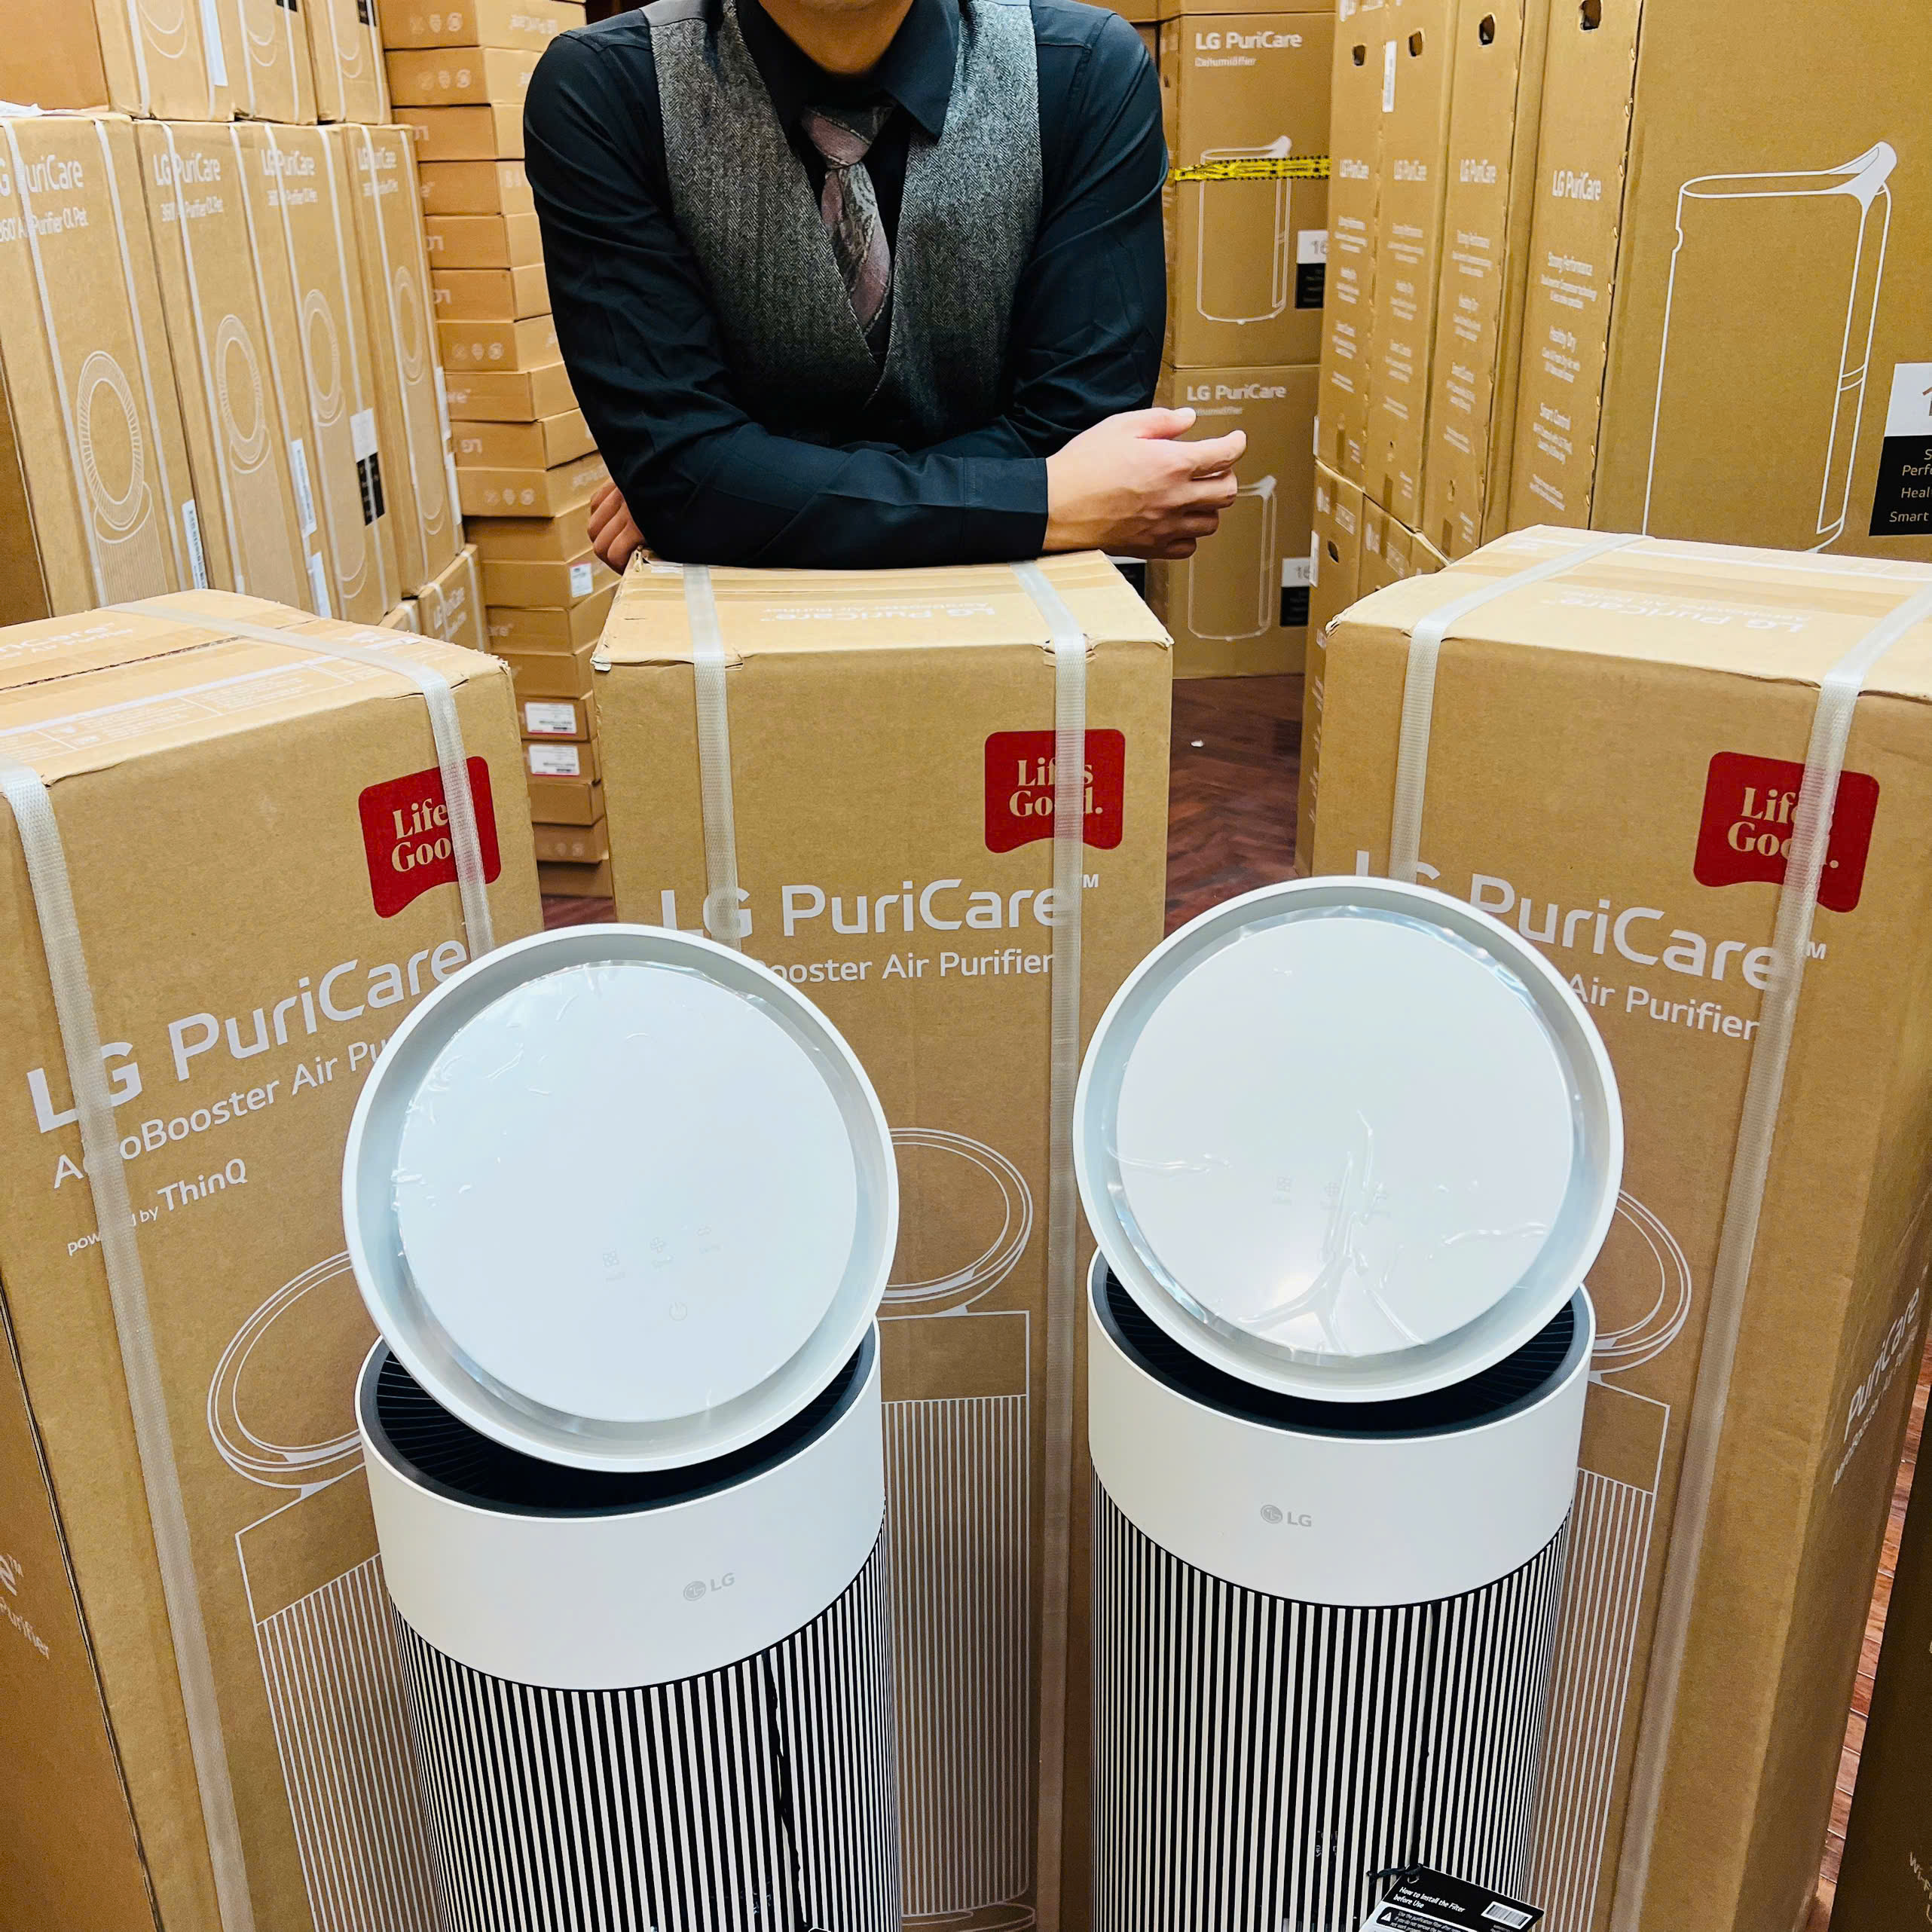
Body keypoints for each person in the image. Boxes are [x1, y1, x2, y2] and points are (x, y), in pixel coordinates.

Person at [523, 0, 1245, 572]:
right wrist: (1048, 499)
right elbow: (683, 477)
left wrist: (741, 494)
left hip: (1027, 616)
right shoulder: (610, 89)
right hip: (740, 638)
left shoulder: (1083, 70)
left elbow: (1080, 425)